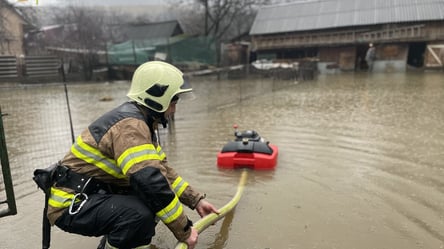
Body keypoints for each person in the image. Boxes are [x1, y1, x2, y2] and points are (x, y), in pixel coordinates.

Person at [46, 61, 219, 249]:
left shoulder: (141, 123)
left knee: (150, 206)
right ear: (158, 98)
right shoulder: (131, 128)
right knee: (138, 215)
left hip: (90, 196)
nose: (174, 110)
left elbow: (163, 173)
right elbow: (151, 183)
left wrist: (196, 200)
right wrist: (184, 230)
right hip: (70, 204)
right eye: (173, 102)